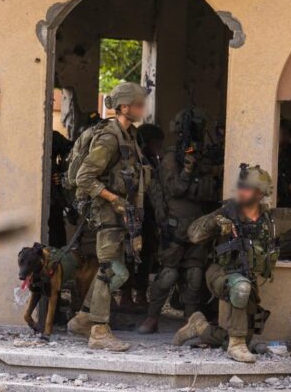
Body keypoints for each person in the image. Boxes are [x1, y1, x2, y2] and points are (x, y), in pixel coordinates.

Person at [172, 164, 291, 362]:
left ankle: (201, 327)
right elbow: (194, 234)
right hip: (219, 273)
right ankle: (236, 346)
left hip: (246, 277)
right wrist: (215, 222)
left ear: (260, 193)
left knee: (246, 332)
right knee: (240, 288)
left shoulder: (271, 220)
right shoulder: (227, 212)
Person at [66, 82, 149, 352]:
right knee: (108, 270)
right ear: (124, 107)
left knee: (119, 272)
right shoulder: (109, 138)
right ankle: (99, 331)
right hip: (107, 212)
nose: (143, 109)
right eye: (138, 105)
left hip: (121, 212)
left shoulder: (129, 136)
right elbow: (84, 178)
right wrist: (114, 200)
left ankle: (83, 319)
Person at [137, 109, 219, 334]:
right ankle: (152, 317)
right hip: (174, 227)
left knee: (194, 274)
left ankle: (189, 321)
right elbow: (175, 189)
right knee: (168, 274)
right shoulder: (172, 158)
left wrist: (201, 173)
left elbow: (209, 192)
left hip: (198, 226)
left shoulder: (201, 156)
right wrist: (187, 172)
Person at [118, 123, 165, 312]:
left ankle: (140, 294)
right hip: (133, 214)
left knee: (147, 255)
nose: (158, 148)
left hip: (149, 217)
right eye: (156, 144)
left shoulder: (154, 162)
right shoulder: (133, 162)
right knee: (129, 255)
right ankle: (126, 295)